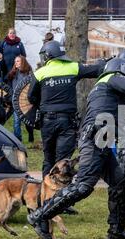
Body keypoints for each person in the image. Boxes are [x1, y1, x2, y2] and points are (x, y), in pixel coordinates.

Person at [27, 57, 125, 239]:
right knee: (82, 187)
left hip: (101, 141)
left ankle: (116, 230)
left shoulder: (107, 90)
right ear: (120, 70)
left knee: (120, 183)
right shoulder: (110, 79)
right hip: (94, 140)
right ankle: (38, 215)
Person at [27, 40, 105, 177]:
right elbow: (97, 70)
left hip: (47, 121)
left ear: (47, 56)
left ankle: (45, 192)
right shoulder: (73, 67)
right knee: (62, 160)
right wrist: (105, 63)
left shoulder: (39, 73)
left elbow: (31, 97)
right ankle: (60, 193)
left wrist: (44, 103)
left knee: (48, 158)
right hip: (67, 121)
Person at [7, 55, 34, 142]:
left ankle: (31, 134)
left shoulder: (29, 73)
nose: (16, 63)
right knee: (16, 122)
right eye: (15, 61)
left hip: (26, 101)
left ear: (23, 62)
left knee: (27, 122)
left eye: (18, 61)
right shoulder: (13, 73)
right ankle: (18, 140)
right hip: (16, 101)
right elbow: (9, 86)